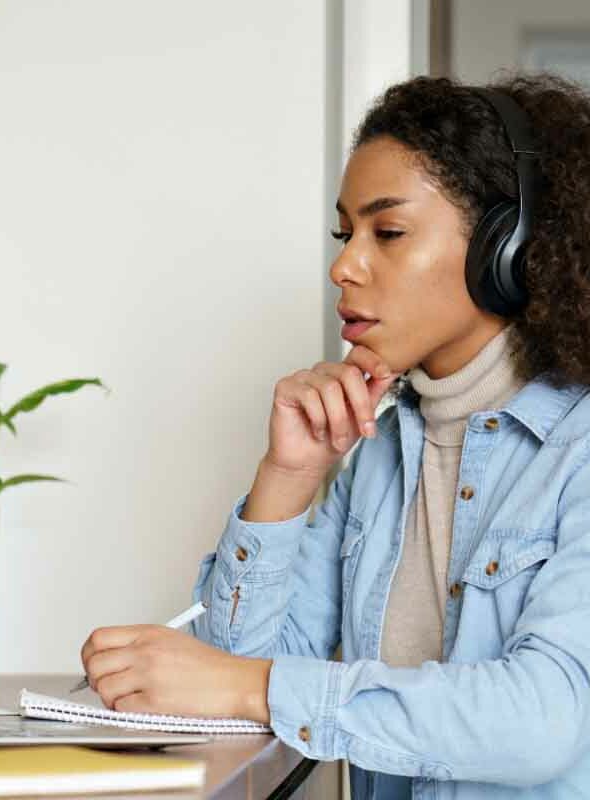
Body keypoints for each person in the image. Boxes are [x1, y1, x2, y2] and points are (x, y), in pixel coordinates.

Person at [79, 70, 590, 797]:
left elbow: (545, 718)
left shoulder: (579, 452)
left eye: (387, 232)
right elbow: (224, 693)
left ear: (504, 249)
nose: (342, 266)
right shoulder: (378, 455)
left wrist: (253, 687)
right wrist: (287, 478)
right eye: (345, 233)